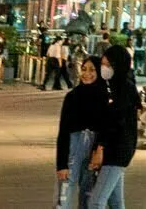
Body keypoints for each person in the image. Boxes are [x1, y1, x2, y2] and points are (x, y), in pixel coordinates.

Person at [88, 43, 140, 207]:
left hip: (117, 149)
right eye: (103, 64)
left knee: (96, 203)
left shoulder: (125, 89)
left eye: (108, 65)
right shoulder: (111, 86)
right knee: (115, 202)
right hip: (113, 148)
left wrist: (100, 149)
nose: (104, 69)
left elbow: (115, 122)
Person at [57, 56, 106, 209]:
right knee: (65, 189)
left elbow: (106, 127)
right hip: (74, 144)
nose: (86, 74)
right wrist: (61, 164)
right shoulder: (72, 96)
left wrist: (99, 149)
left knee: (88, 192)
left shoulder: (105, 96)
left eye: (92, 70)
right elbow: (63, 131)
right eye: (84, 69)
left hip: (94, 148)